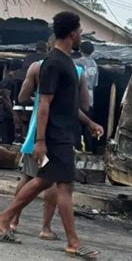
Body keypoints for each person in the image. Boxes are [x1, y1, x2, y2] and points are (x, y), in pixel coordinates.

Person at [0, 12, 102, 260]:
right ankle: (73, 242)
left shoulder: (67, 62)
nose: (80, 35)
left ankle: (3, 220)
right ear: (72, 34)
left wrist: (88, 122)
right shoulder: (54, 63)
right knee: (64, 186)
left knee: (42, 182)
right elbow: (44, 104)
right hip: (56, 138)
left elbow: (68, 104)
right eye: (79, 30)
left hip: (63, 134)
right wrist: (41, 141)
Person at [9, 41, 90, 239]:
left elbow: (21, 97)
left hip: (37, 131)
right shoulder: (78, 72)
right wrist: (90, 122)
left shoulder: (36, 67)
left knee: (29, 176)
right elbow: (84, 105)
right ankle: (45, 228)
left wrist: (37, 101)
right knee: (54, 182)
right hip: (59, 134)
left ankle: (12, 221)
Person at [74, 41, 98, 152]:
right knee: (89, 126)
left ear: (80, 50)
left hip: (79, 96)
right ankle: (89, 149)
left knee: (77, 124)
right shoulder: (95, 64)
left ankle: (77, 148)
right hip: (91, 98)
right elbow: (95, 84)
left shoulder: (76, 63)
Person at [0, 60, 21, 144]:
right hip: (5, 115)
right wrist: (13, 112)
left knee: (9, 139)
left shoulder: (10, 80)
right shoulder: (8, 81)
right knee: (7, 140)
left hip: (6, 115)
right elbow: (6, 97)